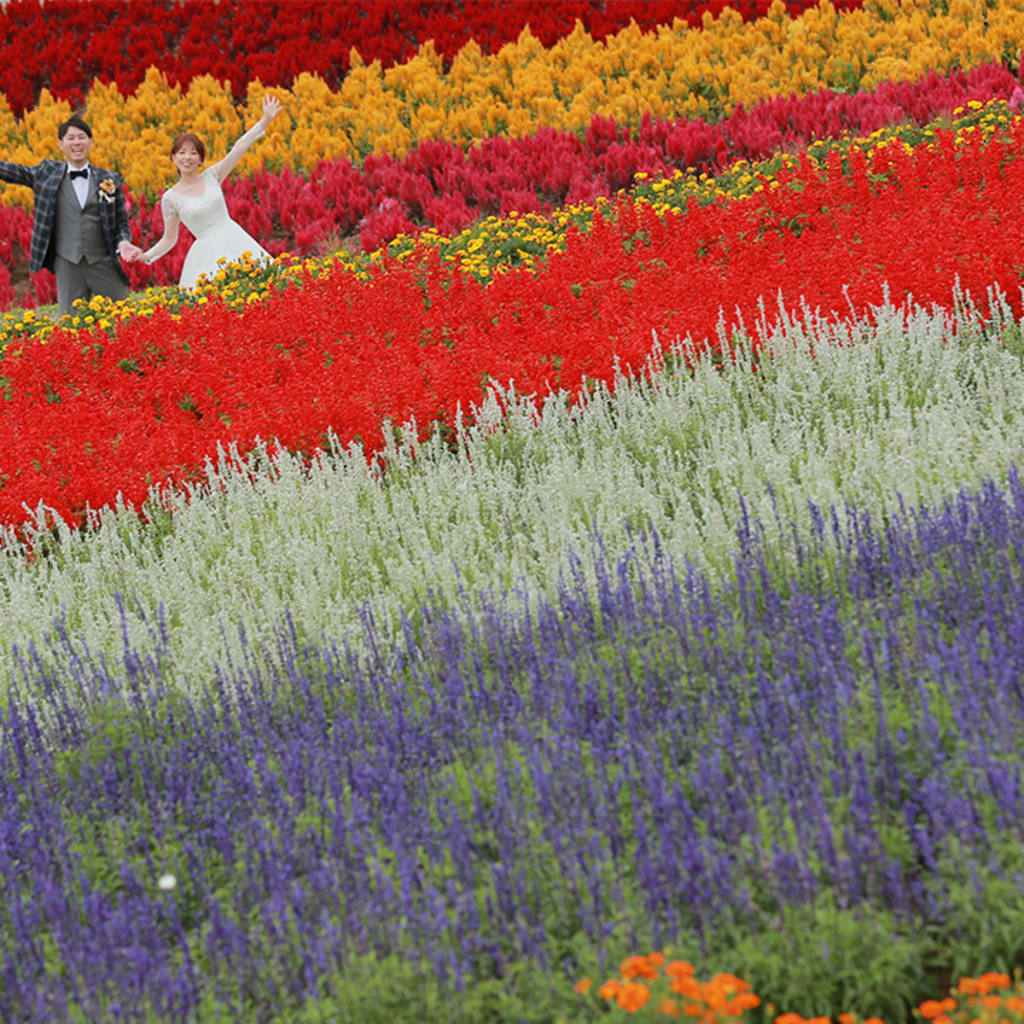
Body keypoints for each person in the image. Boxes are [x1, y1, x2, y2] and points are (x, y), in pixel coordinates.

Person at [132, 95, 283, 289]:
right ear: (173, 158)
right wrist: (145, 256)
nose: (188, 157)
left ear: (201, 159)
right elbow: (169, 238)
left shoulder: (212, 176)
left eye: (193, 153)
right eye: (182, 152)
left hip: (235, 240)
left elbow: (239, 147)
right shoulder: (170, 198)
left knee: (260, 288)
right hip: (206, 254)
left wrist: (266, 119)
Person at [0, 115, 142, 316]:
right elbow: (15, 172)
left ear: (91, 142)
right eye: (70, 138)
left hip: (102, 261)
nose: (76, 142)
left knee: (128, 317)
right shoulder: (47, 173)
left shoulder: (109, 179)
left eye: (81, 137)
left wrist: (124, 243)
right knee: (71, 327)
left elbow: (120, 223)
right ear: (60, 144)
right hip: (68, 262)